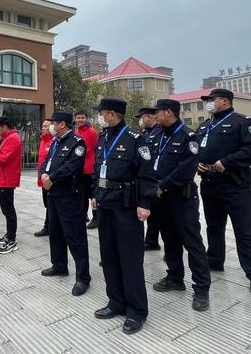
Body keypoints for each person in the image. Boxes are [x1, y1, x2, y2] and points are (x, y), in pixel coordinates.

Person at [91, 99, 156, 335]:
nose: (99, 116)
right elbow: (97, 170)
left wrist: (145, 203)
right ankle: (116, 302)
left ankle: (137, 310)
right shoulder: (103, 138)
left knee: (129, 259)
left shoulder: (136, 139)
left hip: (127, 207)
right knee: (108, 257)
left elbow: (147, 175)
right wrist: (94, 194)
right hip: (105, 205)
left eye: (101, 113)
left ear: (111, 114)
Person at [148, 99, 211, 311]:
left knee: (192, 243)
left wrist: (162, 185)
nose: (155, 116)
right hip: (161, 199)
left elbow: (185, 171)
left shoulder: (188, 136)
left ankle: (201, 289)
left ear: (169, 112)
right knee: (170, 240)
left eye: (157, 113)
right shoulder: (157, 134)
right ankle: (175, 277)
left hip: (181, 198)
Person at [196, 88, 251, 290]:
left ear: (225, 101)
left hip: (235, 184)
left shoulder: (241, 122)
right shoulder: (205, 125)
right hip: (210, 184)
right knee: (214, 227)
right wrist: (196, 163)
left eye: (212, 100)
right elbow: (194, 150)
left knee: (244, 231)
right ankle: (215, 261)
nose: (208, 103)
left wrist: (227, 161)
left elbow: (248, 150)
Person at [40, 112, 90, 297]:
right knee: (56, 231)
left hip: (70, 195)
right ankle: (59, 265)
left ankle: (83, 277)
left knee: (75, 236)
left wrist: (52, 178)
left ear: (62, 124)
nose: (51, 126)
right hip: (54, 194)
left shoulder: (77, 142)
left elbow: (73, 166)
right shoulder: (55, 141)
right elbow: (46, 160)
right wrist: (44, 174)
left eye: (53, 123)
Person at [0, 116, 22, 255]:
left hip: (7, 179)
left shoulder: (13, 138)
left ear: (5, 126)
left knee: (8, 209)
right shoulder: (8, 138)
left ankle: (12, 239)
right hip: (4, 177)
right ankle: (9, 234)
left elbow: (4, 158)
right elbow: (2, 154)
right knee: (6, 208)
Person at [134, 106, 163, 251]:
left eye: (142, 117)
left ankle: (160, 242)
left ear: (150, 117)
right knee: (152, 211)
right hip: (147, 176)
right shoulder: (145, 132)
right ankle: (151, 240)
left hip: (158, 177)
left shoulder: (160, 131)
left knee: (160, 214)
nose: (141, 120)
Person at [74, 110, 98, 229]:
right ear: (75, 119)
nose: (80, 120)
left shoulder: (91, 131)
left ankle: (96, 217)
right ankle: (83, 215)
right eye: (78, 117)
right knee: (82, 194)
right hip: (80, 169)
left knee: (92, 194)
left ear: (86, 118)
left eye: (82, 117)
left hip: (90, 168)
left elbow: (96, 147)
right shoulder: (76, 131)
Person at [34, 120, 53, 237]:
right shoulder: (42, 141)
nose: (43, 128)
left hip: (50, 179)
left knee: (51, 204)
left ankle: (48, 227)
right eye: (43, 126)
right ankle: (49, 226)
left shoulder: (54, 141)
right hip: (42, 178)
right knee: (47, 204)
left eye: (45, 126)